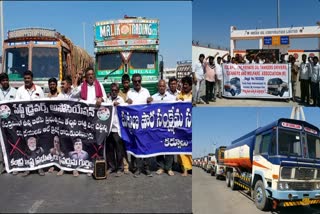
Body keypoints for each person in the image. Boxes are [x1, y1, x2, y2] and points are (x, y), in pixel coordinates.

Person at [126, 73, 153, 177]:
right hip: (134, 125)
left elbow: (151, 105)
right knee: (135, 147)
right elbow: (126, 108)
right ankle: (137, 168)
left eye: (139, 81)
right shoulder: (130, 93)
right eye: (135, 81)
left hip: (145, 124)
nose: (137, 83)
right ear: (132, 82)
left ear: (141, 81)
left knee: (145, 146)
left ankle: (146, 168)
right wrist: (127, 102)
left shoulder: (146, 91)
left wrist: (150, 100)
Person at [152, 80, 176, 176]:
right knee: (159, 147)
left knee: (169, 147)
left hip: (169, 126)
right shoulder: (153, 97)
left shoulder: (172, 98)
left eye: (163, 86)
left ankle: (169, 168)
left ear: (165, 87)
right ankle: (160, 167)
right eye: (160, 86)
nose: (162, 88)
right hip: (158, 127)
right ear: (158, 87)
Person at [105, 83, 126, 177]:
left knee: (118, 149)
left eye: (115, 90)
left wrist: (118, 104)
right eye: (112, 90)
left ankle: (120, 168)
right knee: (109, 149)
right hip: (108, 128)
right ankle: (111, 167)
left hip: (117, 128)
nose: (113, 92)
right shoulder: (107, 99)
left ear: (118, 91)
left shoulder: (120, 100)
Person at [0, 73, 17, 174]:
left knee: (13, 142)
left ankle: (14, 164)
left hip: (12, 122)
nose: (5, 82)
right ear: (0, 82)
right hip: (1, 122)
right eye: (3, 81)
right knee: (2, 144)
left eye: (6, 80)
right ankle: (4, 165)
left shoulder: (15, 91)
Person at [176, 76, 192, 176]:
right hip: (181, 127)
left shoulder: (193, 96)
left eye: (186, 84)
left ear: (190, 85)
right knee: (181, 148)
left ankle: (191, 166)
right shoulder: (178, 96)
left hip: (191, 126)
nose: (184, 86)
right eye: (183, 84)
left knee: (190, 147)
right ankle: (185, 169)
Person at [118, 74, 130, 174]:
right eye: (124, 83)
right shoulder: (119, 94)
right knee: (122, 145)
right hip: (122, 124)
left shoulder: (133, 92)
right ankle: (125, 165)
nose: (126, 84)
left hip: (132, 123)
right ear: (122, 83)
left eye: (127, 82)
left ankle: (135, 165)